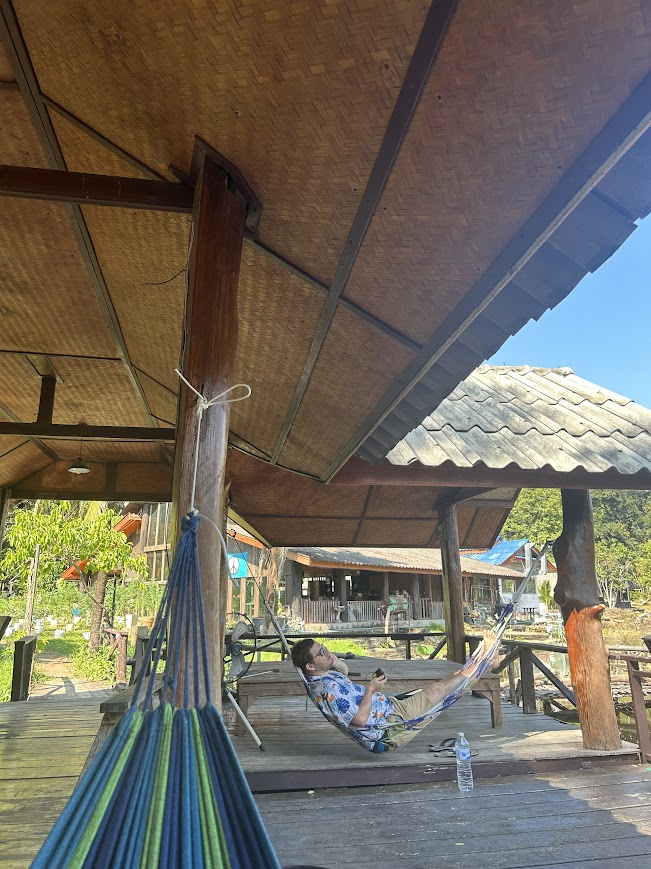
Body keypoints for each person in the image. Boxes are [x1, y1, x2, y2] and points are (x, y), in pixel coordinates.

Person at [290, 636, 497, 752]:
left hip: (389, 707)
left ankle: (484, 663)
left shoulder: (322, 676)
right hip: (389, 729)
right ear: (310, 665)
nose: (326, 652)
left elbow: (343, 673)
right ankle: (486, 662)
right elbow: (360, 721)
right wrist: (371, 689)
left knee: (440, 686)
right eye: (321, 653)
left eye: (324, 647)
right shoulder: (327, 690)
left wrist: (332, 660)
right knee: (441, 691)